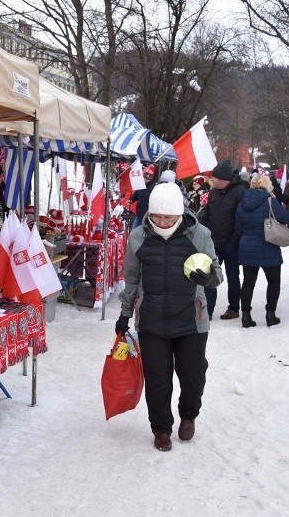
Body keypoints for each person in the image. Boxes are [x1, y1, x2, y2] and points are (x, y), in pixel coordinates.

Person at [115, 182, 222, 452]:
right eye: (156, 216)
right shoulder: (139, 237)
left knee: (192, 375)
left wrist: (209, 277)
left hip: (192, 320)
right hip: (151, 320)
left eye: (168, 217)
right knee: (158, 379)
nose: (162, 222)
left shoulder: (199, 235)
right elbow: (131, 278)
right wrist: (125, 314)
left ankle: (189, 415)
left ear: (180, 213)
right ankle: (161, 428)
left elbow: (217, 273)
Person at [235, 174, 289, 327]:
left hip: (247, 247)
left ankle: (246, 315)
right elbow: (285, 219)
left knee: (248, 283)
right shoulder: (270, 201)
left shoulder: (242, 202)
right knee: (273, 281)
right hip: (269, 246)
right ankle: (270, 314)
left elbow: (238, 228)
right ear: (267, 185)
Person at [198, 160, 245, 320]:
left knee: (233, 277)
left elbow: (241, 220)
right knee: (209, 276)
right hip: (213, 243)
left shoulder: (239, 192)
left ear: (224, 179)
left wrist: (234, 240)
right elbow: (206, 214)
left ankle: (233, 308)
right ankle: (207, 310)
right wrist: (202, 231)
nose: (212, 180)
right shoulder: (213, 192)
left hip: (231, 243)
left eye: (215, 177)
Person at [130, 165, 156, 229]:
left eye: (146, 178)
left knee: (142, 233)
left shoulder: (153, 188)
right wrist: (131, 199)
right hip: (139, 214)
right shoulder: (141, 185)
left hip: (147, 217)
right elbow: (137, 193)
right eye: (144, 177)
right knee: (134, 232)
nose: (144, 179)